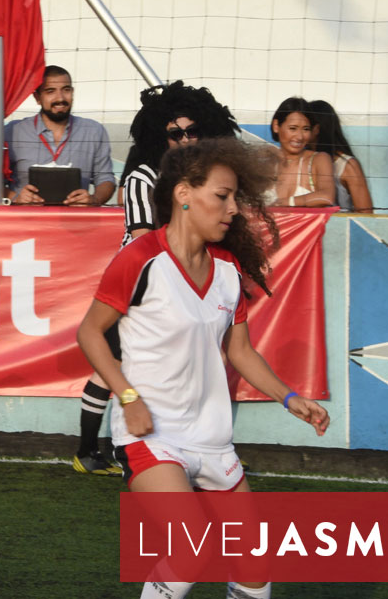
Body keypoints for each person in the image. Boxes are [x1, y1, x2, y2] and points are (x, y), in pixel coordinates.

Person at [77, 139, 329, 599]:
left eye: (235, 197)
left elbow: (241, 351)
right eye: (222, 195)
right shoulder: (140, 259)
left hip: (212, 439)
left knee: (255, 565)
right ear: (184, 193)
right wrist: (128, 398)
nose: (233, 208)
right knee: (191, 546)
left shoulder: (229, 270)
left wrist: (291, 398)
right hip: (151, 434)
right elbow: (90, 333)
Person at [74, 81, 241, 476]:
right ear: (158, 135)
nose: (185, 140)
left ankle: (205, 448)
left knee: (201, 359)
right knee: (112, 362)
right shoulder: (143, 177)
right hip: (144, 286)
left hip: (188, 280)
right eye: (174, 133)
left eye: (192, 131)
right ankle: (86, 450)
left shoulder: (211, 179)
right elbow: (141, 237)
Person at [7, 65, 115, 206]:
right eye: (50, 91)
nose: (60, 98)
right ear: (37, 97)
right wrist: (16, 197)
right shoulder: (12, 131)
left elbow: (105, 178)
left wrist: (95, 199)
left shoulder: (94, 131)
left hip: (76, 222)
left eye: (66, 90)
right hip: (25, 222)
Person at [307, 99, 373, 213]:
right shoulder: (301, 160)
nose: (299, 134)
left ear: (317, 129)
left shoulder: (347, 166)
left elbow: (366, 214)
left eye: (305, 127)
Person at [268, 97, 335, 207]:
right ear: (276, 126)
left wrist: (285, 203)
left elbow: (327, 196)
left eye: (306, 129)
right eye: (293, 128)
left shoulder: (319, 160)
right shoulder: (265, 163)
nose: (299, 137)